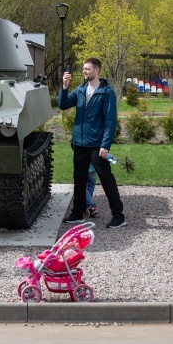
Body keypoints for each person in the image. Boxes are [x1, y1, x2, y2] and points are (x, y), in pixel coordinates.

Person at [58, 57, 126, 228]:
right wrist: (65, 87)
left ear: (97, 71)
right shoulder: (80, 90)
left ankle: (119, 216)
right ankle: (77, 213)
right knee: (79, 179)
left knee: (106, 179)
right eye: (83, 69)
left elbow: (110, 121)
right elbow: (63, 104)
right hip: (80, 143)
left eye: (87, 69)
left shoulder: (106, 92)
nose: (84, 71)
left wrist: (105, 146)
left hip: (96, 144)